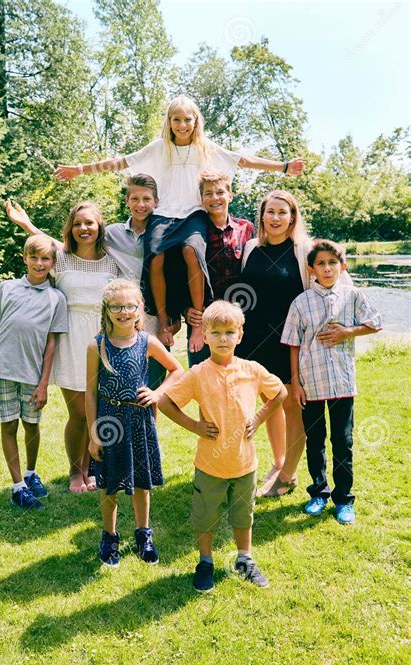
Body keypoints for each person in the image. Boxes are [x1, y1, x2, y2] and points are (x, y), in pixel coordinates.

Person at [54, 95, 305, 354]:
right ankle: (164, 322)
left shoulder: (206, 148)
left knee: (192, 251)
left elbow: (243, 160)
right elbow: (121, 162)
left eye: (188, 120)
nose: (182, 125)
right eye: (177, 120)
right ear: (169, 121)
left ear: (196, 121)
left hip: (193, 214)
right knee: (155, 257)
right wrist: (80, 170)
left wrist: (283, 167)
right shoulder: (159, 147)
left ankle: (197, 322)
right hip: (163, 214)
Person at [158, 301, 287, 593]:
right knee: (206, 516)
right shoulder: (198, 373)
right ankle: (205, 561)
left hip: (245, 463)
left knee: (243, 515)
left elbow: (280, 392)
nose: (223, 339)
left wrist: (259, 418)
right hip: (210, 463)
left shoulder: (252, 370)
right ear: (204, 335)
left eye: (230, 332)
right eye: (215, 332)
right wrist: (194, 426)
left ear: (240, 335)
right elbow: (165, 402)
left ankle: (245, 558)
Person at [4, 198, 121, 493]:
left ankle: (92, 468)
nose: (84, 228)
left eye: (90, 223)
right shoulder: (62, 258)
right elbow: (40, 257)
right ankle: (75, 472)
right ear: (71, 228)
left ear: (99, 227)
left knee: (99, 410)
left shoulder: (112, 261)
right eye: (78, 223)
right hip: (70, 341)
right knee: (79, 412)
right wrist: (24, 223)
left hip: (103, 341)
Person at [281, 239, 382, 524]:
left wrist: (346, 332)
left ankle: (344, 499)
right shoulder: (301, 303)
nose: (327, 269)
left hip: (341, 382)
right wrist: (296, 383)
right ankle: (318, 492)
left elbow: (375, 322)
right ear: (311, 269)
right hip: (310, 382)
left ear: (342, 266)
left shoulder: (352, 295)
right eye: (321, 264)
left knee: (343, 440)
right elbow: (292, 344)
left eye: (332, 263)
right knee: (315, 440)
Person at [86, 279, 183, 567]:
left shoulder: (147, 342)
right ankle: (110, 536)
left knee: (142, 483)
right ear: (107, 309)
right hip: (108, 421)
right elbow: (90, 393)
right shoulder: (97, 345)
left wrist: (157, 393)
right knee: (109, 484)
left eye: (130, 306)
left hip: (139, 421)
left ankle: (143, 535)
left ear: (139, 309)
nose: (124, 312)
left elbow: (176, 370)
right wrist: (93, 435)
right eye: (117, 306)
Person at [239, 190, 318, 497]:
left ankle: (288, 476)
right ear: (262, 216)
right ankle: (279, 462)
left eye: (282, 213)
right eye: (270, 212)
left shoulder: (303, 250)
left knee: (291, 405)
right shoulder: (250, 248)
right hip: (257, 339)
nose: (275, 218)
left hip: (290, 341)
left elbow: (332, 281)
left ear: (292, 218)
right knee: (270, 403)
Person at [0, 236, 68, 509]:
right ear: (24, 258)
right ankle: (18, 486)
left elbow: (52, 344)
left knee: (32, 424)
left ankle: (31, 473)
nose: (39, 263)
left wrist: (44, 384)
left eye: (45, 259)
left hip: (33, 374)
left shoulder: (56, 298)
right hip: (4, 369)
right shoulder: (7, 288)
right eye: (34, 257)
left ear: (53, 263)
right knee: (8, 425)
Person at [105, 173, 179, 387]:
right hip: (122, 315)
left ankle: (150, 422)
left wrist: (173, 317)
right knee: (121, 381)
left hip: (155, 317)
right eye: (135, 199)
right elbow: (74, 249)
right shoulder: (112, 233)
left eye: (147, 199)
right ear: (127, 201)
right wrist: (30, 227)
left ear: (156, 201)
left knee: (152, 383)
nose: (141, 205)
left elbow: (175, 278)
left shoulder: (166, 235)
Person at [185, 169, 255, 367]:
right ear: (202, 198)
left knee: (239, 379)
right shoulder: (195, 232)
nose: (214, 198)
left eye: (220, 192)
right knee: (205, 381)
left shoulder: (246, 228)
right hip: (204, 318)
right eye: (208, 193)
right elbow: (183, 274)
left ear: (230, 195)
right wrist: (185, 309)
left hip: (239, 316)